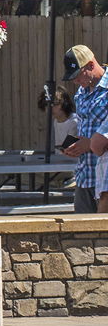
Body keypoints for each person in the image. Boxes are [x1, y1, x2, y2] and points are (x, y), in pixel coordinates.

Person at [65, 45, 108, 213]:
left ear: (91, 65)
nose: (75, 81)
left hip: (104, 178)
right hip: (85, 175)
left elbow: (93, 139)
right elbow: (84, 131)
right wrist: (74, 146)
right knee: (79, 236)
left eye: (77, 75)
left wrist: (90, 143)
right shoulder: (81, 93)